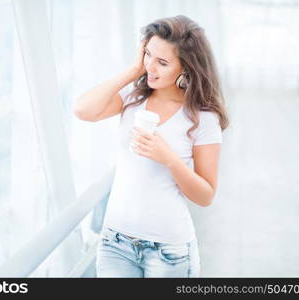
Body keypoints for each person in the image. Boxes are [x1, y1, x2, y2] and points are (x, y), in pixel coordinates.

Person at [73, 15, 229, 278]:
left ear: (185, 67)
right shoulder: (132, 98)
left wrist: (168, 158)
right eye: (148, 55)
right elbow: (82, 110)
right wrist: (134, 70)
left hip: (168, 252)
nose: (151, 67)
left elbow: (205, 195)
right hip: (115, 243)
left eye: (163, 62)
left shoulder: (202, 117)